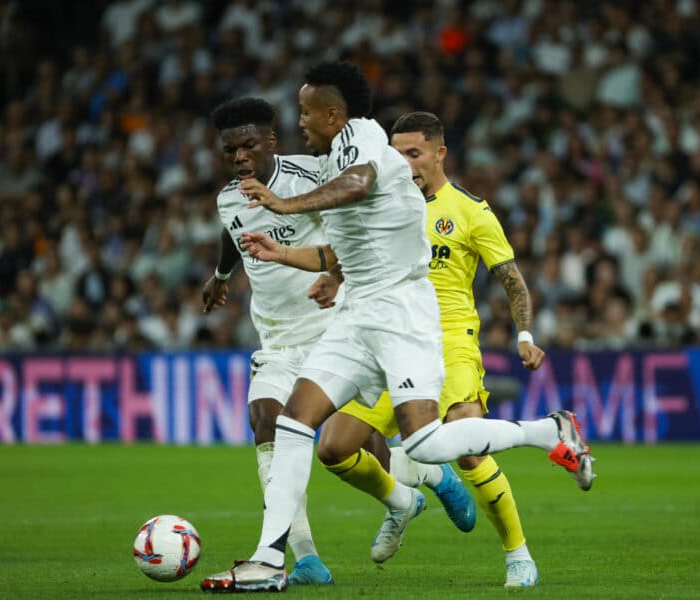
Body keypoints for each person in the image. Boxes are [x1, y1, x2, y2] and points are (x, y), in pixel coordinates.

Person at [199, 61, 595, 593]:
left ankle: (549, 431)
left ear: (334, 113)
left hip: (402, 314)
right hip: (358, 309)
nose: (301, 121)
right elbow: (350, 241)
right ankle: (270, 560)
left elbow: (360, 185)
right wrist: (292, 256)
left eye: (306, 111)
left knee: (427, 443)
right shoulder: (330, 157)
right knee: (296, 422)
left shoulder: (361, 140)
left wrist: (285, 203)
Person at [308, 111, 558, 588]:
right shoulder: (383, 204)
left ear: (440, 153)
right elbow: (357, 257)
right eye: (396, 154)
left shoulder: (470, 211)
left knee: (467, 443)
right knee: (335, 450)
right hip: (389, 337)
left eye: (414, 154)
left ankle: (518, 554)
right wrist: (331, 277)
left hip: (449, 341)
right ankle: (404, 500)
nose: (403, 163)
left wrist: (524, 336)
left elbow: (513, 281)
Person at [199, 96, 339, 586]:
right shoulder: (228, 198)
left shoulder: (313, 176)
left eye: (248, 146)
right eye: (229, 150)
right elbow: (232, 232)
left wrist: (338, 275)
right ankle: (306, 559)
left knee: (350, 452)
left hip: (332, 331)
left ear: (271, 143)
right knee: (264, 419)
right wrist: (220, 275)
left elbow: (351, 229)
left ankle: (415, 488)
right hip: (277, 340)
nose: (239, 157)